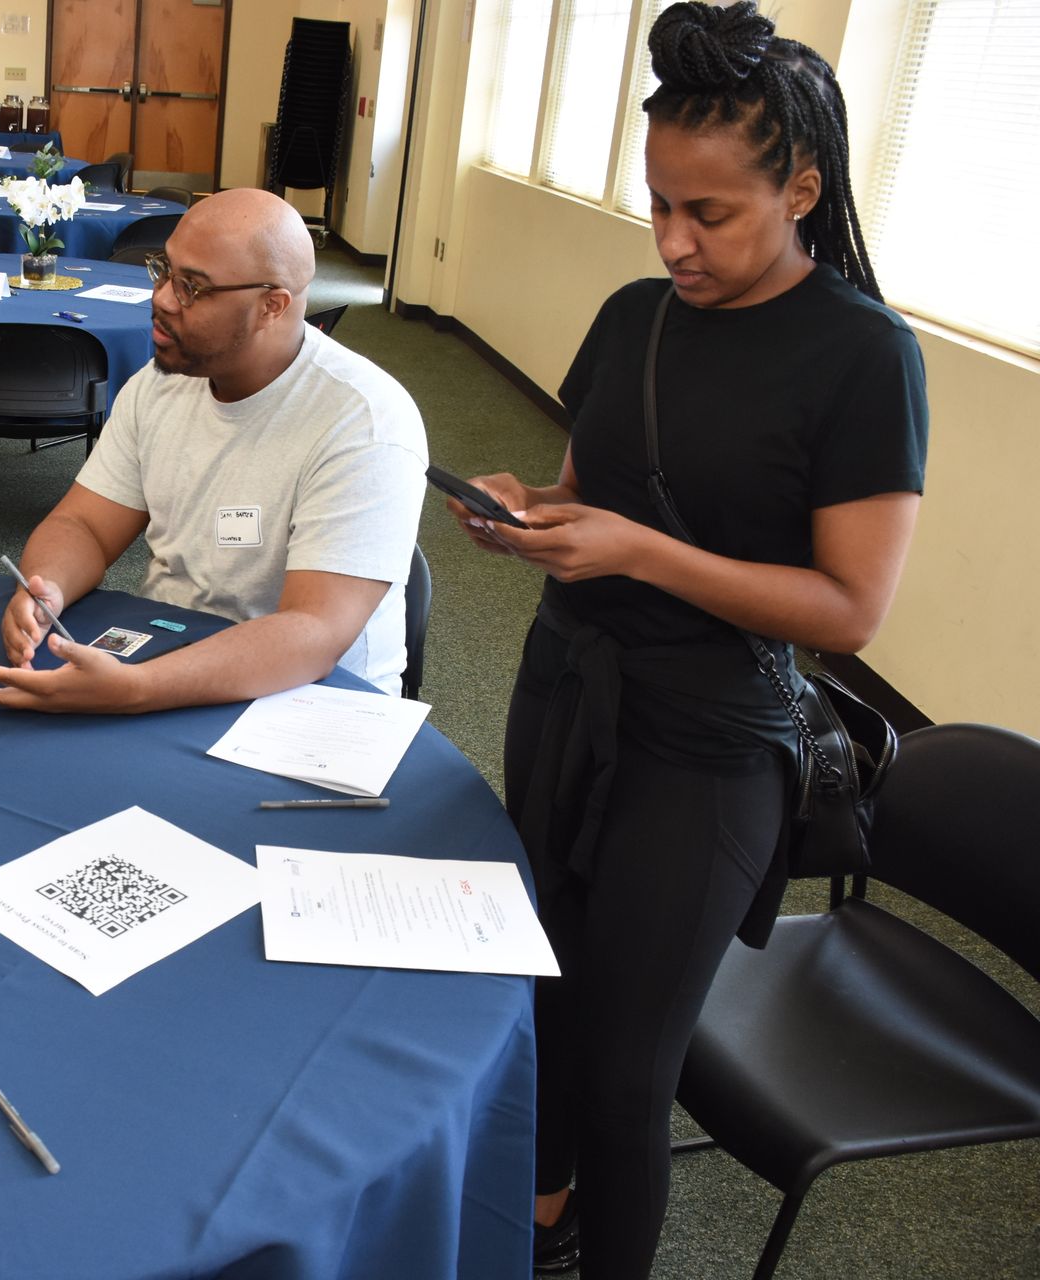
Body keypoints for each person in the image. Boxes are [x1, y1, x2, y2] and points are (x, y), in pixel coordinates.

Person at [443, 5, 929, 1275]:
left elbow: (848, 610)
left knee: (622, 1067)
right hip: (565, 683)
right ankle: (541, 1215)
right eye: (658, 204)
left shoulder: (865, 358)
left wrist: (639, 552)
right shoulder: (633, 311)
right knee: (537, 980)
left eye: (708, 213)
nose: (674, 241)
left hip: (708, 741)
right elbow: (582, 486)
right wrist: (528, 515)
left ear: (803, 190)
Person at [0, 187, 427, 714]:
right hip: (170, 651)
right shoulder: (164, 382)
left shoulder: (364, 421)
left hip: (310, 698)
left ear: (272, 306)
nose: (161, 297)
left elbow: (312, 633)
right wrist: (47, 590)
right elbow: (83, 524)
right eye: (164, 270)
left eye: (192, 287)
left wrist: (137, 690)